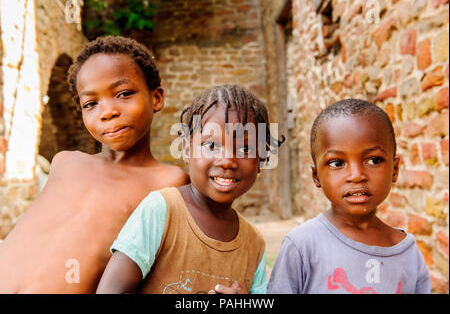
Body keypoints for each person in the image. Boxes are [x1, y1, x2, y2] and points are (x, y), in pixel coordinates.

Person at [0, 36, 189, 293]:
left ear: (156, 98)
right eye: (91, 103)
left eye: (123, 94)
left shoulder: (168, 181)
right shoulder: (65, 162)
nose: (107, 111)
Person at [96, 84, 284, 294]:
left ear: (261, 160)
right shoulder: (162, 211)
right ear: (187, 149)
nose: (228, 160)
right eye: (211, 146)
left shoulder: (253, 244)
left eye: (245, 149)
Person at [268, 99, 431, 294]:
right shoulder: (302, 246)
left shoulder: (407, 253)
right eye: (337, 163)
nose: (356, 175)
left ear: (394, 169)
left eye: (373, 160)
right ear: (316, 176)